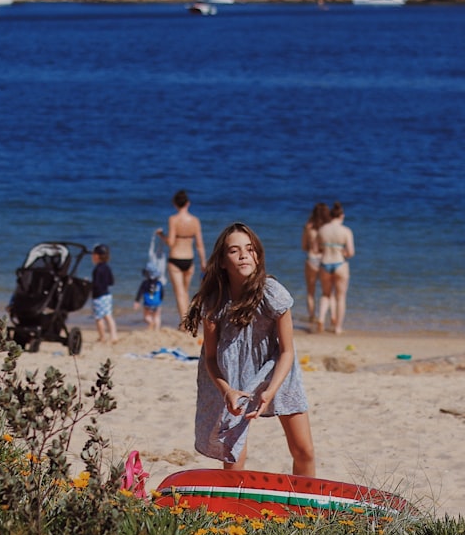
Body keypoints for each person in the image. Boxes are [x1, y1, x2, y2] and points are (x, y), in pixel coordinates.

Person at [181, 222, 316, 476]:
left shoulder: (273, 293)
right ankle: (234, 511)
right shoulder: (214, 303)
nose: (243, 255)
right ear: (222, 260)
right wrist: (227, 391)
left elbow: (287, 351)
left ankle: (307, 510)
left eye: (249, 248)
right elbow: (210, 358)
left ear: (257, 254)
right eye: (234, 250)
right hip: (232, 379)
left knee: (304, 450)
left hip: (277, 371)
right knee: (233, 457)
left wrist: (270, 390)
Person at [156, 190, 206, 323]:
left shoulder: (173, 219)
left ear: (175, 204)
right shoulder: (195, 221)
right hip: (189, 259)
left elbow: (171, 242)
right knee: (185, 292)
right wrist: (203, 262)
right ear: (188, 203)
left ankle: (184, 324)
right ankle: (190, 320)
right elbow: (199, 245)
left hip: (175, 258)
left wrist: (161, 235)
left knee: (179, 293)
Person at [316, 202, 354, 335]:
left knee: (326, 294)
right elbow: (350, 252)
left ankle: (320, 318)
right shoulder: (346, 231)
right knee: (340, 297)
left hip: (325, 263)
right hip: (339, 263)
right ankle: (337, 327)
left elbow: (317, 249)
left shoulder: (322, 229)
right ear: (342, 216)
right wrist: (342, 251)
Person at [301, 202, 330, 325]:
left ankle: (312, 317)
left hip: (312, 259)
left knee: (310, 291)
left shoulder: (309, 227)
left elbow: (304, 246)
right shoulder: (328, 228)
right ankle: (323, 317)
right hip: (325, 259)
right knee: (327, 292)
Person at [90, 244, 118, 343]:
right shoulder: (107, 267)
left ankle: (102, 337)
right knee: (108, 316)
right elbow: (111, 282)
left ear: (97, 256)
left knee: (98, 318)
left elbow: (96, 284)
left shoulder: (97, 269)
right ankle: (114, 336)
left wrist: (90, 286)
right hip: (107, 295)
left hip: (98, 296)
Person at [134, 263, 165, 331]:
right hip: (157, 304)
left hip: (148, 304)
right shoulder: (159, 283)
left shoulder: (145, 283)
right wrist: (160, 300)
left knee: (146, 317)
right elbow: (162, 293)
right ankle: (156, 330)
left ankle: (151, 322)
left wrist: (137, 301)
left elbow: (140, 293)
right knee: (157, 317)